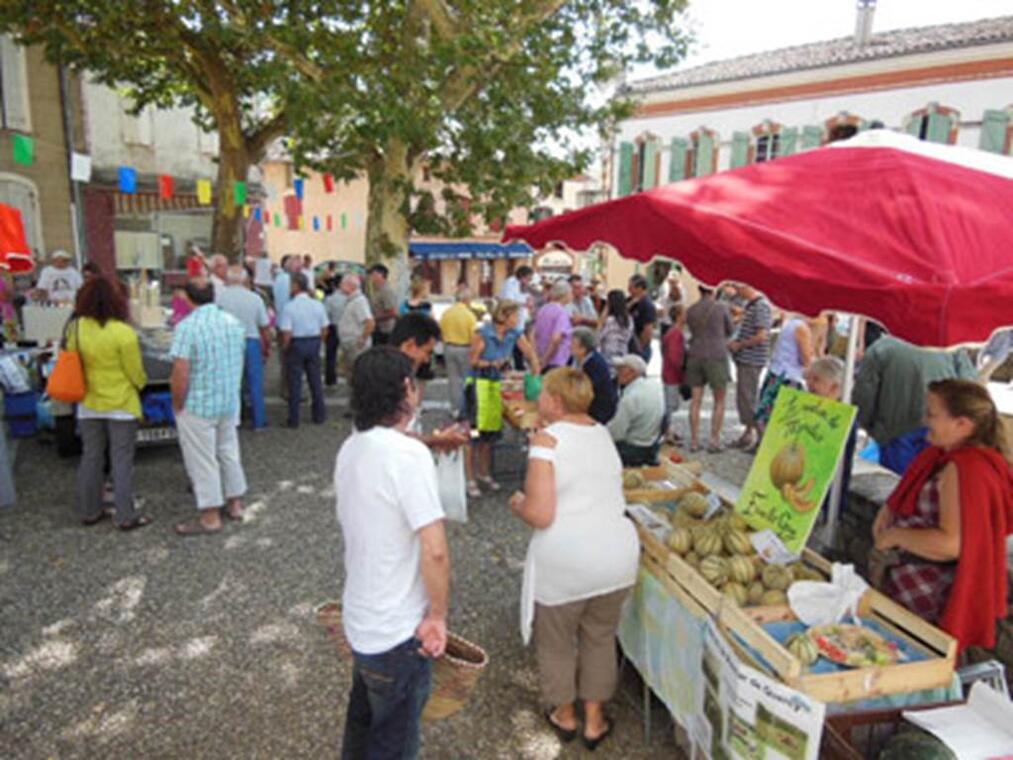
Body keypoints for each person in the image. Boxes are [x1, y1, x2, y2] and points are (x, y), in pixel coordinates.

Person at [509, 368, 639, 751]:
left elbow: (540, 513)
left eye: (544, 393)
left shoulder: (546, 442)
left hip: (567, 560)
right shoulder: (601, 433)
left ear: (555, 400)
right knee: (600, 637)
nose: (539, 398)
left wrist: (517, 502)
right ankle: (595, 720)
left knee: (557, 641)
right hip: (617, 555)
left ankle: (565, 715)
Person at [336, 346, 450, 759]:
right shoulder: (407, 456)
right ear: (406, 389)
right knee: (395, 744)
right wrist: (437, 616)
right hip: (397, 630)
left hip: (361, 617)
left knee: (362, 728)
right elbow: (435, 549)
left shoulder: (352, 447)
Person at [872, 379, 1012, 651]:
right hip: (915, 585)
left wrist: (894, 536)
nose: (925, 419)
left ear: (963, 424)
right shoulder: (947, 457)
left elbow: (952, 543)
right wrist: (888, 509)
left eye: (932, 414)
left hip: (928, 595)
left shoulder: (965, 470)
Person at [70, 277, 151, 531]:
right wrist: (141, 385)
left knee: (91, 457)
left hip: (88, 402)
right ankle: (125, 515)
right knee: (121, 460)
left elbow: (73, 363)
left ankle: (89, 510)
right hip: (121, 403)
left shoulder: (76, 328)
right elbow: (135, 372)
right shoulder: (123, 332)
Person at [170, 279, 247, 536]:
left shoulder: (187, 328)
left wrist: (177, 404)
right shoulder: (233, 323)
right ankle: (235, 502)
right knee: (228, 452)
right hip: (227, 400)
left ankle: (210, 516)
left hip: (198, 403)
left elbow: (181, 372)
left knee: (202, 460)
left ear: (187, 298)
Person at [855, 336, 978, 475]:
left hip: (894, 431)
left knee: (897, 486)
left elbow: (864, 394)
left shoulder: (881, 348)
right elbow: (971, 387)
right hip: (941, 430)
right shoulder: (951, 348)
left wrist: (871, 426)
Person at [464, 301, 540, 497]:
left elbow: (530, 353)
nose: (518, 320)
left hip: (496, 387)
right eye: (515, 315)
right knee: (473, 435)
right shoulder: (483, 334)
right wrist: (492, 363)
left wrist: (535, 374)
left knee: (491, 433)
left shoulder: (514, 334)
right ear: (504, 316)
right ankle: (470, 479)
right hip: (477, 387)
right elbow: (472, 361)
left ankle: (484, 473)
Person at [217, 266, 271, 430]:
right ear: (244, 279)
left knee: (232, 382)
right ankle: (259, 420)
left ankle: (233, 419)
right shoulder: (254, 298)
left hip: (228, 341)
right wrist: (266, 345)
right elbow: (264, 325)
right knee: (255, 382)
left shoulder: (220, 298)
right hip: (251, 339)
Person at [805, 356, 856, 514]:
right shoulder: (813, 407)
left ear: (835, 387)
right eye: (809, 378)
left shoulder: (842, 418)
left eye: (816, 380)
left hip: (828, 493)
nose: (809, 384)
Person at [685, 285, 733, 453]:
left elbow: (691, 330)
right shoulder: (721, 307)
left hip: (695, 354)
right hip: (716, 355)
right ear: (713, 290)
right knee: (719, 400)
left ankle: (694, 441)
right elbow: (730, 330)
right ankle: (714, 439)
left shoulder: (691, 310)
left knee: (695, 401)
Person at [753, 313, 815, 439]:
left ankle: (762, 444)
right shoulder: (801, 328)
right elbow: (806, 359)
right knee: (785, 417)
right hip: (789, 376)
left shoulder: (790, 323)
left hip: (776, 371)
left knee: (766, 413)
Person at [279, 272, 328, 428]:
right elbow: (325, 327)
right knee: (315, 380)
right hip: (313, 341)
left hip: (297, 343)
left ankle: (294, 418)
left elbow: (287, 332)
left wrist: (285, 348)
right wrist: (320, 341)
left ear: (295, 287)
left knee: (295, 382)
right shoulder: (318, 305)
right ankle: (319, 415)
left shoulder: (289, 307)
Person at [728, 284, 772, 450]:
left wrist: (740, 345)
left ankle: (761, 439)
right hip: (747, 358)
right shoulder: (752, 305)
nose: (736, 291)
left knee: (748, 399)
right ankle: (748, 434)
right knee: (744, 397)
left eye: (738, 288)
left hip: (752, 359)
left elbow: (762, 335)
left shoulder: (761, 306)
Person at [608, 354, 665, 466]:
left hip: (632, 449)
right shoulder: (654, 386)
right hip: (652, 446)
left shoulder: (631, 397)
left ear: (633, 372)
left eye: (621, 369)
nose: (617, 372)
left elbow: (616, 433)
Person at [439, 285, 478, 416]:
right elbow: (474, 337)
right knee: (467, 379)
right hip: (464, 348)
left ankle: (455, 408)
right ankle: (467, 408)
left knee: (453, 379)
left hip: (449, 347)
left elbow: (440, 331)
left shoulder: (447, 313)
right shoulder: (469, 316)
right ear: (467, 300)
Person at [570, 327, 616, 424]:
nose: (570, 346)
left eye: (573, 344)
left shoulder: (595, 363)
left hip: (599, 410)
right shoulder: (575, 359)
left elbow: (586, 390)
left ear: (583, 349)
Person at [337, 274, 375, 391]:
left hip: (356, 345)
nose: (340, 286)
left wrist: (362, 339)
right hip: (350, 344)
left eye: (342, 284)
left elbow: (369, 322)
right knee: (351, 375)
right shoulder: (352, 300)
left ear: (350, 286)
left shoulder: (359, 301)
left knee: (358, 375)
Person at [533, 280, 573, 372]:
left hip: (542, 354)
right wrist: (545, 360)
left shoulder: (543, 309)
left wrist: (537, 357)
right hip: (557, 360)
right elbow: (556, 339)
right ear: (565, 294)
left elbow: (534, 334)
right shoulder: (561, 312)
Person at [501, 265, 535, 370]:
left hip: (519, 324)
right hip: (510, 324)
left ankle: (519, 367)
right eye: (528, 279)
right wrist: (525, 303)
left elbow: (526, 299)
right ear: (521, 276)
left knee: (519, 351)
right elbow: (509, 302)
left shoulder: (523, 286)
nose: (529, 282)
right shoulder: (510, 284)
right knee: (509, 349)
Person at [661, 304, 686, 444]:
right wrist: (681, 368)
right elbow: (674, 356)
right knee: (670, 405)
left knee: (671, 403)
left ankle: (669, 430)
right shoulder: (676, 333)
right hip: (672, 373)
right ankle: (668, 432)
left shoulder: (672, 332)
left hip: (669, 372)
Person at [598, 289, 634, 367]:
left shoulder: (610, 321)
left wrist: (604, 314)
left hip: (608, 357)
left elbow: (598, 336)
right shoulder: (629, 319)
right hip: (623, 354)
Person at [626, 274, 657, 363]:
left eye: (631, 287)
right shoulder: (630, 301)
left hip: (639, 348)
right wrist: (631, 304)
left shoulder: (647, 305)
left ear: (639, 288)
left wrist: (639, 349)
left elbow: (648, 330)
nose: (628, 289)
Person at [323, 274, 346, 387]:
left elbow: (325, 315)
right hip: (346, 326)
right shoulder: (349, 298)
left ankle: (330, 379)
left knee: (331, 354)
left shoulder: (329, 299)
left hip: (333, 326)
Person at [367, 263, 398, 345]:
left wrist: (374, 318)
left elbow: (393, 312)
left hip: (385, 331)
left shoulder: (386, 291)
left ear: (380, 275)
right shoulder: (377, 290)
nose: (371, 277)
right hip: (378, 329)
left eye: (373, 274)